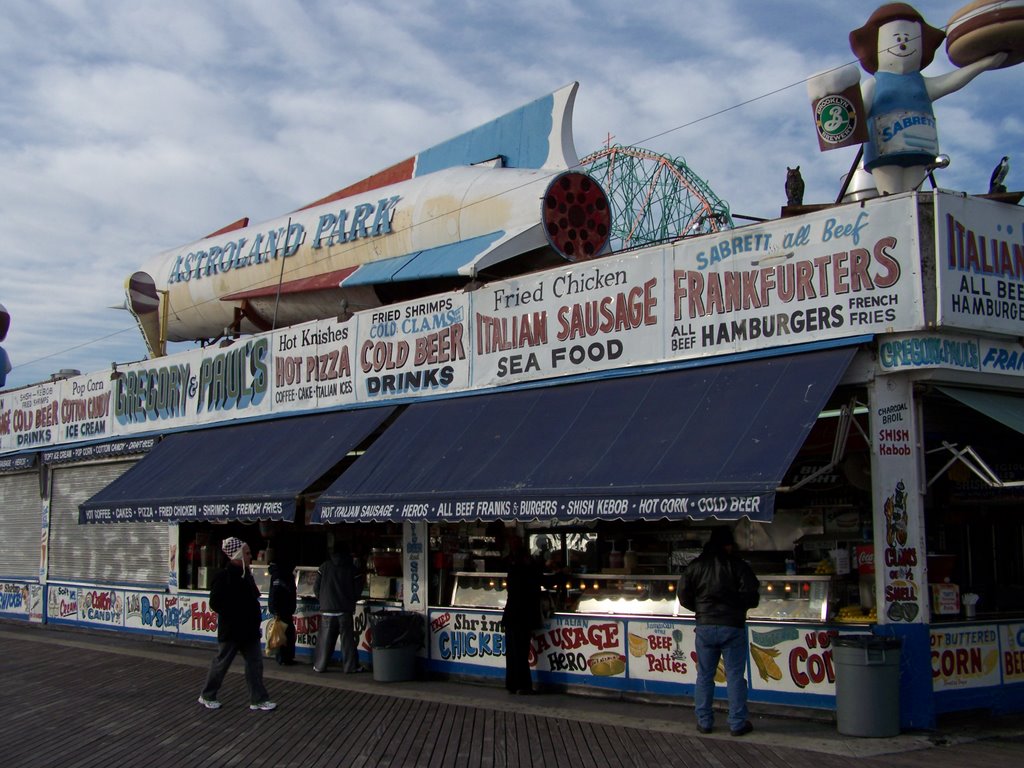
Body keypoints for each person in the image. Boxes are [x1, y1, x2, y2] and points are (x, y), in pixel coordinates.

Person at [678, 527, 760, 737]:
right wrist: (738, 608)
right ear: (728, 544)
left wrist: (700, 610)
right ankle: (737, 723)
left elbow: (683, 594)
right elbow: (752, 594)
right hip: (732, 626)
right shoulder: (738, 565)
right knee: (734, 676)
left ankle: (704, 721)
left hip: (705, 627)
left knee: (704, 675)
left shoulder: (695, 566)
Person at [198, 537, 277, 711]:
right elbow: (216, 603)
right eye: (247, 553)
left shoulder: (246, 574)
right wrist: (237, 611)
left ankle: (258, 698)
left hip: (249, 629)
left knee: (255, 664)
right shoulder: (224, 577)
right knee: (222, 663)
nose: (251, 556)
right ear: (236, 555)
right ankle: (207, 694)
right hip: (233, 630)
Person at [501, 535, 550, 695]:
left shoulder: (512, 564)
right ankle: (523, 685)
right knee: (521, 652)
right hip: (523, 614)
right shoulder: (528, 566)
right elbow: (542, 581)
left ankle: (512, 684)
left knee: (513, 652)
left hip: (512, 614)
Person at [313, 540, 365, 673]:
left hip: (327, 610)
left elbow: (316, 587)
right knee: (347, 641)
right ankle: (350, 666)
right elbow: (358, 589)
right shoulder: (352, 569)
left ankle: (320, 665)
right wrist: (350, 599)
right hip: (344, 610)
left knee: (325, 640)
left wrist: (323, 599)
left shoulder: (324, 567)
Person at [268, 561, 297, 665]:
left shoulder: (279, 574)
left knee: (283, 633)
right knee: (285, 634)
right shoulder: (282, 575)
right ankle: (284, 658)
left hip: (282, 609)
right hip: (283, 609)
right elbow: (276, 593)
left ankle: (284, 657)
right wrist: (276, 610)